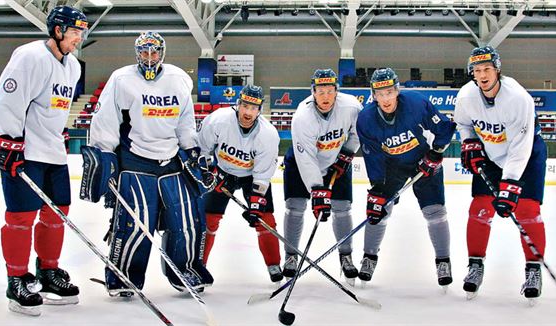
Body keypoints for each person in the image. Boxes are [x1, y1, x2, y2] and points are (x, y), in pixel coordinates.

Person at [80, 31, 213, 296]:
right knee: (135, 223)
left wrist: (192, 148)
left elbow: (185, 122)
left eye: (154, 52)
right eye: (144, 51)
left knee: (187, 221)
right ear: (137, 52)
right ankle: (123, 276)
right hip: (135, 160)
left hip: (171, 161)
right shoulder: (121, 79)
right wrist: (104, 155)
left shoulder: (179, 80)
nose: (149, 57)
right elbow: (106, 120)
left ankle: (185, 270)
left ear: (162, 53)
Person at [0, 5, 87, 316]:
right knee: (21, 217)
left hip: (53, 152)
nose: (78, 39)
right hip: (24, 151)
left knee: (58, 213)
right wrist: (6, 143)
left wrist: (61, 131)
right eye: (74, 32)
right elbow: (4, 103)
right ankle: (16, 279)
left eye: (82, 33)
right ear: (57, 31)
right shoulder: (29, 57)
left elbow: (53, 107)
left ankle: (48, 272)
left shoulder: (73, 67)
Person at [454, 45, 547, 300]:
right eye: (477, 70)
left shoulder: (518, 98)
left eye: (487, 69)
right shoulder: (465, 96)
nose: (482, 74)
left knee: (527, 210)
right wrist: (469, 141)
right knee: (480, 208)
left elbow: (521, 146)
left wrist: (510, 182)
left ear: (497, 70)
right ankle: (475, 265)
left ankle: (533, 269)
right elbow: (463, 123)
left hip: (526, 154)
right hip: (490, 153)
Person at [356, 68, 456, 287]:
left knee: (435, 212)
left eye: (389, 92)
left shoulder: (416, 103)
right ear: (373, 94)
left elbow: (445, 129)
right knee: (377, 211)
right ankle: (369, 257)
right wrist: (377, 189)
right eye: (380, 93)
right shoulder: (365, 119)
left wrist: (436, 153)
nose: (385, 98)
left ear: (397, 90)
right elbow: (372, 157)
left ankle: (443, 261)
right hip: (392, 167)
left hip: (423, 162)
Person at [282, 68, 362, 285]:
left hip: (336, 161)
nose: (325, 96)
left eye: (330, 91)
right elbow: (306, 157)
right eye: (320, 91)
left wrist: (347, 153)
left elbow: (358, 133)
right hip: (301, 164)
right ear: (313, 92)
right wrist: (317, 190)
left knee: (342, 208)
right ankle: (290, 255)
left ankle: (346, 255)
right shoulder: (302, 117)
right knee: (296, 207)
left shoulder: (352, 107)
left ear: (336, 91)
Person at [198, 85, 283, 283]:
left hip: (252, 176)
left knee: (265, 219)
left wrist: (256, 203)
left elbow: (262, 174)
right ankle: (199, 265)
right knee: (208, 219)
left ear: (260, 110)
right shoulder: (219, 120)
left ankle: (273, 264)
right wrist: (211, 173)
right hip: (223, 171)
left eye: (253, 108)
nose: (248, 112)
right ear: (238, 105)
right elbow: (203, 150)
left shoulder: (268, 134)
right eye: (245, 106)